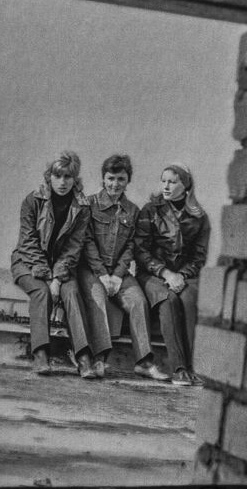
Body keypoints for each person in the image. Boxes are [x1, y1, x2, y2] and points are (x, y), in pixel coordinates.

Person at [78, 155, 170, 380]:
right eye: (110, 178)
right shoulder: (89, 204)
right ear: (103, 178)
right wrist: (102, 274)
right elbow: (87, 242)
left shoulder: (132, 210)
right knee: (98, 298)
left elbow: (131, 246)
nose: (115, 184)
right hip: (92, 270)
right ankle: (99, 359)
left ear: (128, 180)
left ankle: (144, 362)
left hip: (119, 273)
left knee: (138, 301)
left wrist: (118, 275)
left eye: (121, 179)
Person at [11, 151, 95, 379]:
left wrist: (58, 277)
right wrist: (48, 279)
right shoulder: (33, 200)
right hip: (28, 262)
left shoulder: (82, 207)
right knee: (41, 292)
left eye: (68, 177)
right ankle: (40, 354)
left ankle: (83, 357)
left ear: (75, 179)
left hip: (63, 266)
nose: (62, 182)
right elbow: (27, 242)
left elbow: (74, 246)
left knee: (72, 292)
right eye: (58, 176)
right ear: (49, 176)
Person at [134, 162, 210, 386]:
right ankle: (179, 368)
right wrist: (165, 273)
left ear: (185, 186)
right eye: (164, 181)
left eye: (173, 182)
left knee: (190, 298)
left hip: (184, 277)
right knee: (168, 299)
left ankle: (193, 367)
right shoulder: (150, 210)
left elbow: (199, 257)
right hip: (152, 275)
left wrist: (182, 276)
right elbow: (140, 251)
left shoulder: (199, 216)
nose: (166, 186)